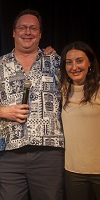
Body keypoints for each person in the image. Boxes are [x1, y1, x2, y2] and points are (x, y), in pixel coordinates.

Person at [0, 8, 65, 200]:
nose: (27, 32)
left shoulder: (57, 63)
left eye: (33, 28)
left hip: (49, 154)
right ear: (13, 32)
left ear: (40, 33)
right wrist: (2, 112)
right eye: (22, 27)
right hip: (10, 156)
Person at [60, 41, 100, 200]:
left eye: (79, 61)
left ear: (90, 62)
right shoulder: (63, 90)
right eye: (69, 62)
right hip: (73, 172)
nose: (74, 67)